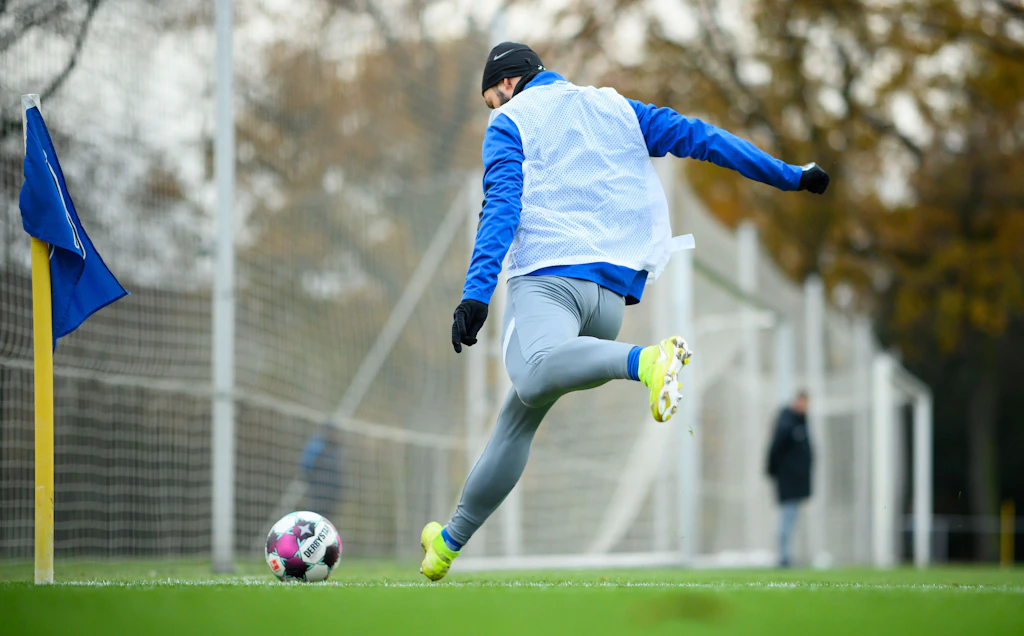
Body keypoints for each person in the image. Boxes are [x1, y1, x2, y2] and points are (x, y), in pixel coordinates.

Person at [420, 42, 831, 581]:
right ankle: (447, 543)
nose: (493, 110)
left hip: (549, 287)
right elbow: (702, 139)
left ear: (508, 83)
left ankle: (646, 363)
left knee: (532, 371)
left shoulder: (509, 123)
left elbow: (501, 206)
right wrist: (789, 174)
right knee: (519, 416)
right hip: (608, 304)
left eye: (491, 99)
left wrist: (476, 294)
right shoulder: (618, 107)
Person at [766, 392, 813, 567]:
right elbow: (775, 449)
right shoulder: (787, 424)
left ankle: (786, 555)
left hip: (797, 482)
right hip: (789, 482)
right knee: (787, 518)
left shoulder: (801, 423)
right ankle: (783, 557)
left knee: (791, 519)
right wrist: (773, 471)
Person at [299, 422, 343, 517]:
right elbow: (306, 465)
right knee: (315, 516)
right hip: (318, 490)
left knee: (328, 518)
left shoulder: (336, 449)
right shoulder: (316, 445)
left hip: (332, 493)